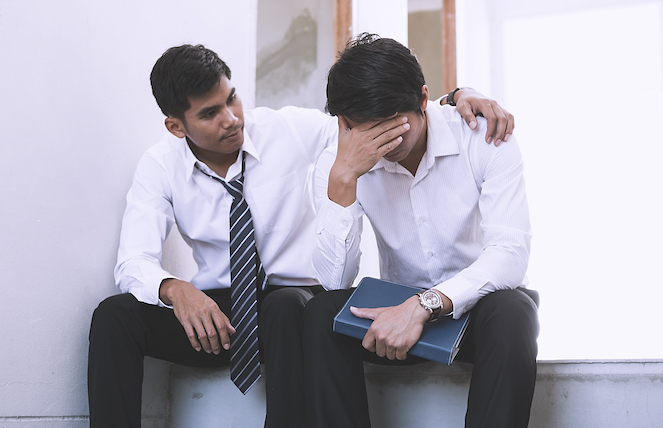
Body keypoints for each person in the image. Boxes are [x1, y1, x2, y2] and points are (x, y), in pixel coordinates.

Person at [86, 43, 514, 428]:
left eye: (231, 98)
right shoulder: (159, 167)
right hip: (220, 315)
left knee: (288, 305)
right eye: (210, 113)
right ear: (176, 127)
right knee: (114, 315)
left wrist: (454, 98)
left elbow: (375, 116)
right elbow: (132, 263)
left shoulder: (285, 129)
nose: (232, 118)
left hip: (290, 304)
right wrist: (175, 288)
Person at [305, 33, 539, 428]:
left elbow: (510, 255)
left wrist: (424, 306)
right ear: (344, 123)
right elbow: (333, 281)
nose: (387, 144)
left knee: (514, 310)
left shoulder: (484, 136)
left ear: (424, 99)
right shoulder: (336, 163)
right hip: (392, 315)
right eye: (370, 133)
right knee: (318, 313)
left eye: (395, 128)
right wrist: (343, 181)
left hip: (475, 310)